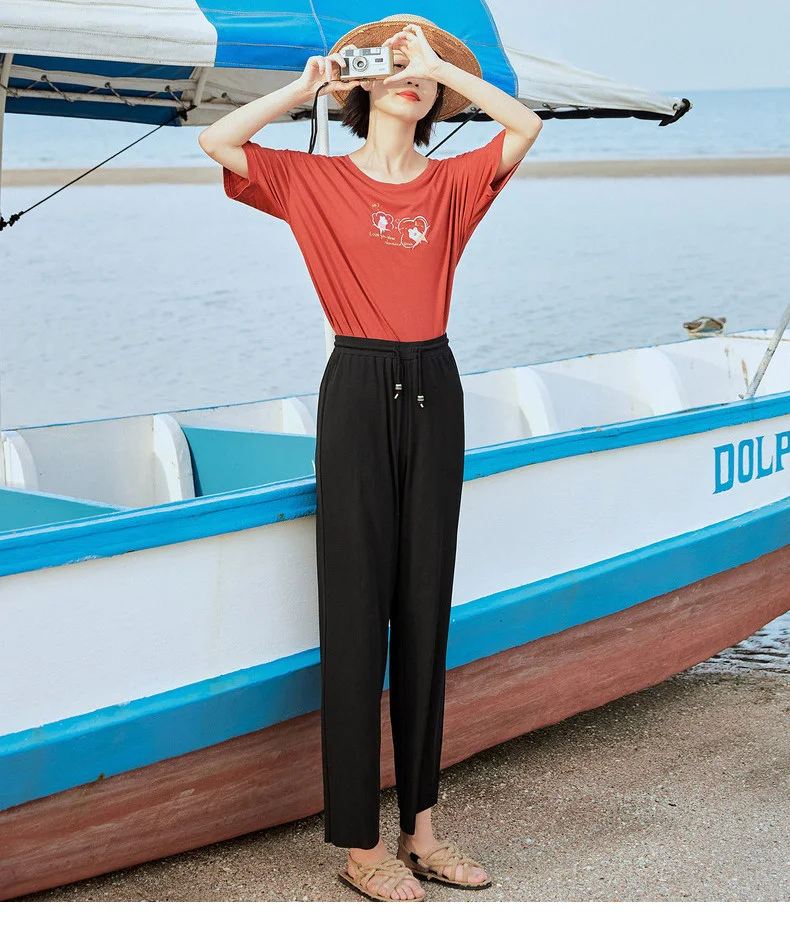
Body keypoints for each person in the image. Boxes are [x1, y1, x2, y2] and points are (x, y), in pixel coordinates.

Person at [199, 13, 542, 902]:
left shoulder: (454, 184)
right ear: (362, 86)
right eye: (393, 63)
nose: (410, 75)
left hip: (434, 383)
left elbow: (524, 126)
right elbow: (217, 141)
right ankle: (360, 847)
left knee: (425, 612)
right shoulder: (314, 181)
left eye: (422, 69)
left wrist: (444, 67)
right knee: (356, 617)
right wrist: (307, 85)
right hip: (355, 386)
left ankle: (422, 832)